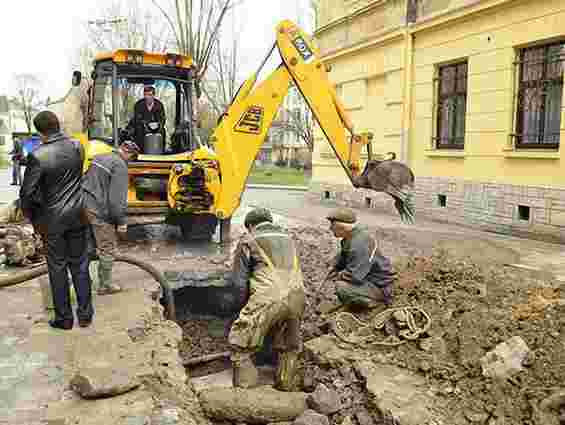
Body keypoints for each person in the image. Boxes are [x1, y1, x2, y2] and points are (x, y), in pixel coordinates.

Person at [19, 111, 93, 330]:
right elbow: (75, 179)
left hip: (52, 220)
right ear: (57, 124)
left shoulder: (38, 155)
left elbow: (28, 194)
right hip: (78, 215)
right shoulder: (77, 147)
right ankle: (86, 315)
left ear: (40, 131)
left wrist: (33, 218)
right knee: (80, 265)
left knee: (57, 267)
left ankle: (64, 318)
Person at [227, 208, 306, 391]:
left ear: (251, 226)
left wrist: (239, 309)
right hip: (297, 296)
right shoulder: (289, 239)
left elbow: (239, 282)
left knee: (241, 344)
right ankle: (285, 385)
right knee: (289, 347)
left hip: (268, 297)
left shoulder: (248, 240)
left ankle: (246, 394)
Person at [82, 140, 140, 295]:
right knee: (107, 248)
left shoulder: (99, 158)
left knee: (85, 247)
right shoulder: (120, 166)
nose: (130, 162)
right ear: (128, 154)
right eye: (132, 159)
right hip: (100, 211)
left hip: (83, 207)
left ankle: (81, 282)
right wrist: (121, 221)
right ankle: (105, 285)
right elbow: (116, 200)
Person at [325, 207, 394, 310]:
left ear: (342, 228)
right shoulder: (350, 237)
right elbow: (344, 255)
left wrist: (338, 275)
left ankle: (375, 302)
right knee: (342, 284)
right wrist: (334, 265)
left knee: (342, 288)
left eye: (332, 226)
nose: (330, 228)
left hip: (379, 285)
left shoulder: (359, 244)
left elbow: (354, 277)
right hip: (367, 276)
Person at [126, 85, 166, 153]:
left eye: (150, 95)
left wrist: (158, 125)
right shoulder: (138, 104)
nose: (147, 97)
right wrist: (145, 124)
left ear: (153, 95)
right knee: (138, 130)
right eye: (145, 95)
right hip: (142, 126)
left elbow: (162, 119)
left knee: (162, 131)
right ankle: (140, 151)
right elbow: (137, 118)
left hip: (156, 127)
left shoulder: (159, 105)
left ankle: (160, 150)